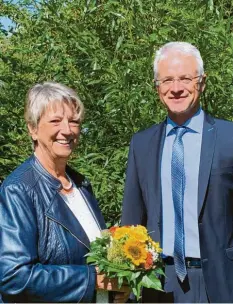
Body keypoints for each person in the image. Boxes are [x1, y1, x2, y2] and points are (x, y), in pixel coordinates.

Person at [121, 41, 233, 303]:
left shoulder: (230, 138)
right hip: (159, 282)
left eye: (185, 78)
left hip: (221, 280)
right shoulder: (142, 143)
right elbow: (132, 218)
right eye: (167, 80)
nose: (176, 88)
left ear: (201, 82)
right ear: (156, 87)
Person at [0, 82, 130, 303]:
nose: (67, 130)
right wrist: (93, 280)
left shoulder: (80, 185)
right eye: (55, 121)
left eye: (74, 121)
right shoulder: (18, 190)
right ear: (33, 128)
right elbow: (14, 277)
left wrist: (119, 285)